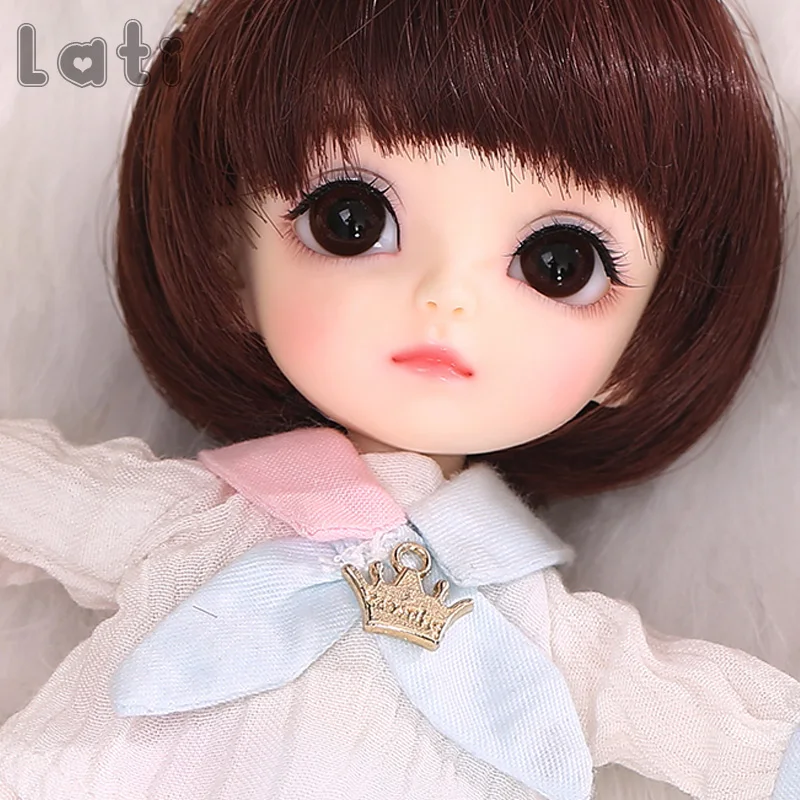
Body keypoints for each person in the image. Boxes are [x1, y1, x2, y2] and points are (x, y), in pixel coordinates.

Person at [0, 0, 797, 797]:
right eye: (350, 221)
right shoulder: (190, 527)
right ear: (231, 262)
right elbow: (40, 498)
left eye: (559, 263)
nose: (444, 297)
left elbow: (695, 714)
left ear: (642, 347)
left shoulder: (537, 626)